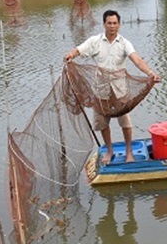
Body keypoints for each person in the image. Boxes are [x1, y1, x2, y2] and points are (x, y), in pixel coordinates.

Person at [64, 9, 161, 163]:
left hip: (119, 90)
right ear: (104, 24)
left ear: (119, 24)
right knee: (102, 123)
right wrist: (71, 55)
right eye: (109, 23)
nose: (112, 26)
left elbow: (136, 59)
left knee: (126, 123)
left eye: (115, 23)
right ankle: (109, 151)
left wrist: (150, 73)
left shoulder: (124, 43)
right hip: (101, 90)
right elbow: (78, 50)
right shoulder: (95, 41)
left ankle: (129, 152)